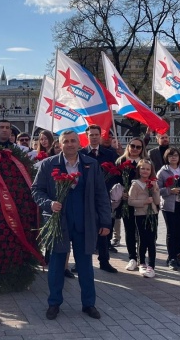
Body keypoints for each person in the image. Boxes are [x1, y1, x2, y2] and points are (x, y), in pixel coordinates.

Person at [32, 130, 111, 320]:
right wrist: (49, 203)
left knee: (85, 265)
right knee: (56, 264)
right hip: (59, 221)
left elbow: (101, 194)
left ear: (79, 143)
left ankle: (89, 304)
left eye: (73, 141)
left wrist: (105, 221)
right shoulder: (48, 164)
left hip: (85, 222)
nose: (69, 144)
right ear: (59, 144)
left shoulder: (91, 164)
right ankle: (54, 303)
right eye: (65, 141)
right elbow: (36, 190)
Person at [80, 124, 118, 273]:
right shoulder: (81, 154)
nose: (94, 137)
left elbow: (116, 174)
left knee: (104, 229)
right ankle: (81, 262)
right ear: (87, 136)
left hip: (103, 197)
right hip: (85, 198)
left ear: (100, 135)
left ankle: (104, 261)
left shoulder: (110, 154)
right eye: (91, 135)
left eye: (96, 134)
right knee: (83, 231)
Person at [157, 147, 180, 270]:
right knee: (171, 232)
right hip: (169, 206)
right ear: (166, 158)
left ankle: (178, 254)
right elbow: (157, 189)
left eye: (176, 155)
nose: (173, 158)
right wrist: (169, 191)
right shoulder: (163, 172)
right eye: (170, 155)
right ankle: (171, 257)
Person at [115, 137, 148, 271]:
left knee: (142, 231)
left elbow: (151, 179)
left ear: (142, 149)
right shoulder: (120, 161)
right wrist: (121, 192)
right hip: (126, 202)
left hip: (142, 203)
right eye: (132, 146)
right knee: (129, 230)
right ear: (128, 146)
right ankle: (132, 258)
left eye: (138, 147)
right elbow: (115, 180)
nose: (135, 149)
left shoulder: (145, 162)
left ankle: (142, 259)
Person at [127, 159, 160, 278]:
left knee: (151, 240)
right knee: (142, 239)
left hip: (153, 214)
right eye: (143, 169)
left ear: (151, 171)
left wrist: (155, 189)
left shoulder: (154, 183)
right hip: (140, 215)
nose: (145, 171)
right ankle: (142, 262)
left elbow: (157, 201)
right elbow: (130, 201)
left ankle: (151, 265)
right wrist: (144, 202)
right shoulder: (135, 184)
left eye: (148, 169)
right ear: (139, 170)